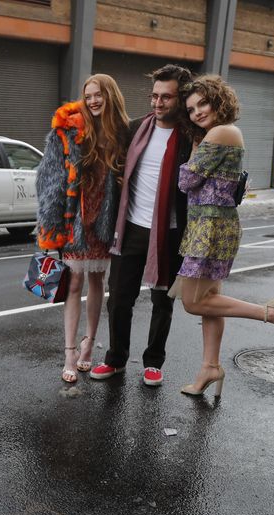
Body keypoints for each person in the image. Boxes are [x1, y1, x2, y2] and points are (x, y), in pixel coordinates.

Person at [172, 74, 274, 397]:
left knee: (193, 302)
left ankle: (271, 312)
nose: (197, 113)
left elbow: (186, 181)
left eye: (202, 103)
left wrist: (192, 153)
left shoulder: (221, 132)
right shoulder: (219, 134)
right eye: (191, 109)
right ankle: (210, 367)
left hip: (212, 229)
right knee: (209, 304)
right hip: (211, 225)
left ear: (218, 100)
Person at [90, 65, 194, 387]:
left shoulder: (192, 139)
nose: (158, 103)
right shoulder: (135, 129)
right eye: (154, 96)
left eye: (166, 97)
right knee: (119, 298)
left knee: (163, 300)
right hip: (132, 227)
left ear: (181, 99)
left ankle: (153, 362)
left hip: (171, 232)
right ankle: (116, 359)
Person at [36, 74, 129, 383]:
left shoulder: (122, 133)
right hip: (74, 218)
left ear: (110, 96)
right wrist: (50, 230)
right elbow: (50, 181)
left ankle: (90, 343)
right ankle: (69, 351)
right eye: (88, 95)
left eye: (98, 94)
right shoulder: (67, 130)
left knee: (97, 282)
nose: (92, 100)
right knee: (74, 284)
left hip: (105, 218)